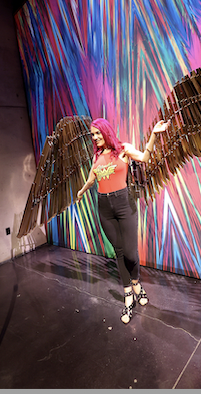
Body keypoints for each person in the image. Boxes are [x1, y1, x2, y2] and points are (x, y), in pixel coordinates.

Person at [76, 118, 169, 324]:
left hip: (124, 204)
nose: (95, 137)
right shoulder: (97, 156)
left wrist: (154, 135)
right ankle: (128, 293)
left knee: (130, 253)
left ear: (106, 131)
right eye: (92, 135)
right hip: (104, 207)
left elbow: (144, 157)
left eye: (98, 133)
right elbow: (91, 179)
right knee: (118, 252)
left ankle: (136, 283)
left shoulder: (123, 149)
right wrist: (81, 192)